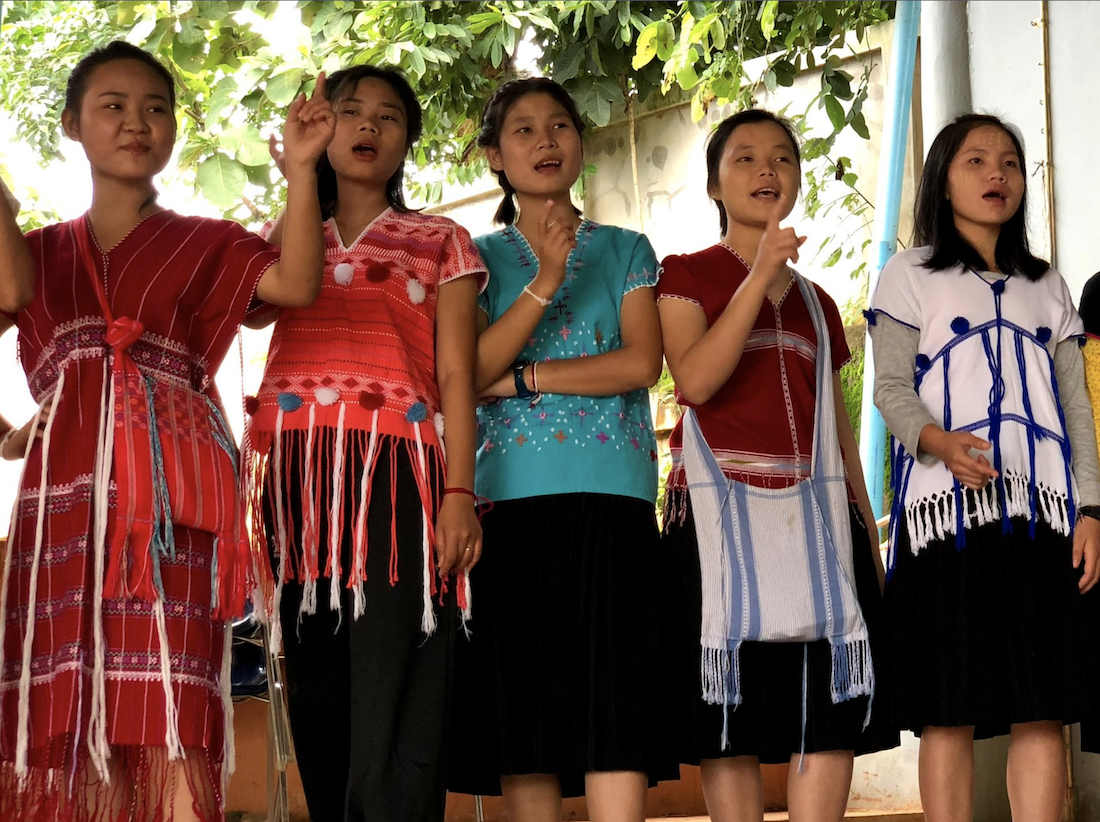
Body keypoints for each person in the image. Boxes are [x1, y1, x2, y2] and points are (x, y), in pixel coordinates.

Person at [0, 40, 332, 821]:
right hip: (62, 513)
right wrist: (14, 429)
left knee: (169, 712)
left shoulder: (206, 239)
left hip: (170, 512)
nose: (137, 123)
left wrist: (303, 172)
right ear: (71, 125)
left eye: (156, 108)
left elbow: (296, 282)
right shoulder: (34, 251)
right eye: (112, 106)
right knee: (73, 717)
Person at [247, 64, 485, 822]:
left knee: (396, 670)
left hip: (397, 474)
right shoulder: (285, 236)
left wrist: (458, 494)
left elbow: (456, 372)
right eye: (351, 111)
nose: (369, 127)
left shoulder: (441, 239)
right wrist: (297, 170)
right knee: (314, 666)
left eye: (389, 117)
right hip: (300, 474)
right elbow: (251, 314)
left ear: (407, 142)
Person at [657, 109, 895, 822]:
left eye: (783, 159)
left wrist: (867, 533)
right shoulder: (684, 274)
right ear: (714, 185)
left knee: (825, 715)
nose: (768, 170)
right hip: (714, 516)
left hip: (816, 519)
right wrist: (758, 274)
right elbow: (694, 382)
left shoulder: (820, 303)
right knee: (728, 719)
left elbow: (838, 434)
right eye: (746, 159)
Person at [448, 77, 672, 822]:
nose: (546, 142)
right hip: (507, 504)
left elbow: (640, 364)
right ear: (493, 157)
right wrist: (544, 280)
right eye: (523, 131)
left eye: (560, 126)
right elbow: (468, 373)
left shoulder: (626, 248)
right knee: (528, 717)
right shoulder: (471, 260)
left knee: (615, 709)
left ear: (580, 141)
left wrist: (524, 377)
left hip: (615, 497)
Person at [869, 113, 1100, 822]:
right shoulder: (908, 273)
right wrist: (936, 442)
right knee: (950, 709)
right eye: (975, 161)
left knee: (1042, 707)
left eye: (1009, 163)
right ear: (942, 178)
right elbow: (891, 388)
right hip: (949, 523)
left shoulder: (1047, 285)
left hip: (1044, 520)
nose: (996, 174)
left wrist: (1091, 511)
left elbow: (1076, 410)